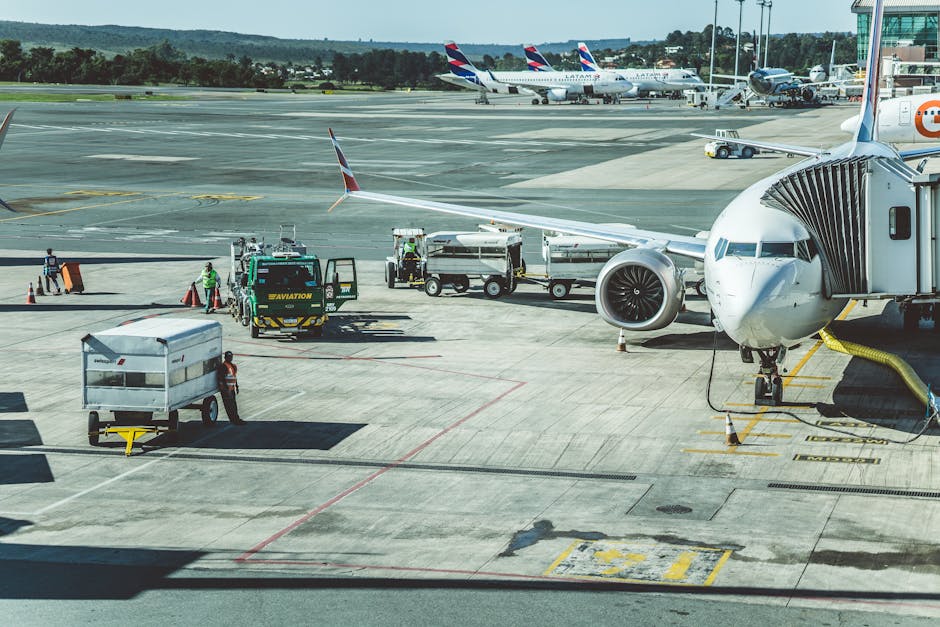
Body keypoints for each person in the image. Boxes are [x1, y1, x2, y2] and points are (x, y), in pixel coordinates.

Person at [216, 351, 245, 425]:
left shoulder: (232, 366)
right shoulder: (223, 366)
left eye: (231, 356)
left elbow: (234, 376)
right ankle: (234, 419)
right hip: (226, 390)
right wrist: (226, 389)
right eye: (228, 357)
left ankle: (236, 418)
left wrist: (236, 386)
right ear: (225, 357)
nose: (230, 358)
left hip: (231, 389)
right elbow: (221, 378)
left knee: (233, 405)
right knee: (229, 405)